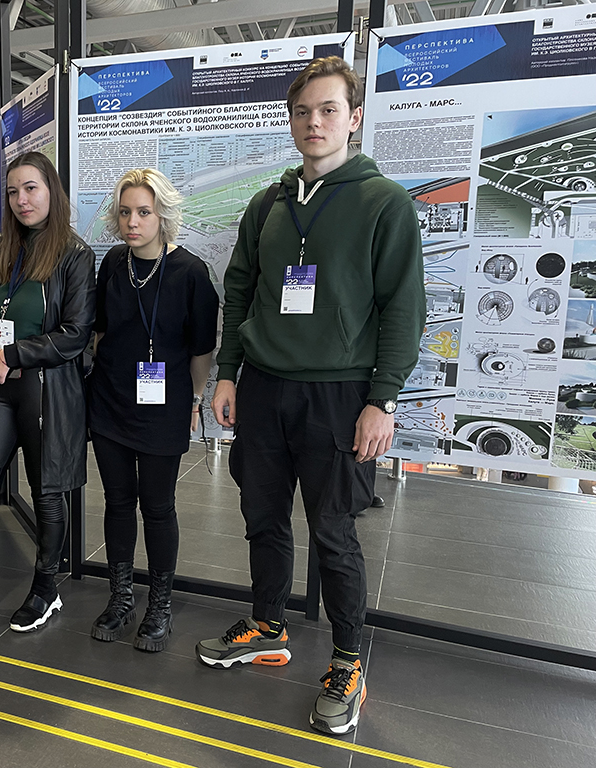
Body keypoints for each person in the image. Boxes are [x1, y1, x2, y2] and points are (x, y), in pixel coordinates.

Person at [194, 56, 426, 736]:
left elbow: (403, 307)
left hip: (339, 394)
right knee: (263, 516)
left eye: (328, 110)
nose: (314, 122)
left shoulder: (384, 202)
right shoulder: (267, 204)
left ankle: (348, 659)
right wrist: (228, 372)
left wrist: (382, 399)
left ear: (354, 119)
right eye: (302, 111)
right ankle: (268, 625)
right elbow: (240, 289)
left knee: (333, 530)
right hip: (266, 388)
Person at [0, 151, 96, 644]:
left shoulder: (74, 254)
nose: (21, 200)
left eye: (31, 188)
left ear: (51, 190)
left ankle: (45, 587)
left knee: (47, 494)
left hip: (45, 391)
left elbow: (75, 333)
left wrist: (12, 354)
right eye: (13, 191)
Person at [87, 169, 219, 653]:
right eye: (125, 212)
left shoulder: (190, 272)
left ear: (163, 214)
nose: (132, 222)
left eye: (143, 212)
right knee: (118, 501)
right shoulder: (112, 263)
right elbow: (102, 331)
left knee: (158, 505)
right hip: (110, 402)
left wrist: (194, 400)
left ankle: (160, 604)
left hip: (165, 406)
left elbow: (202, 349)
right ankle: (121, 597)